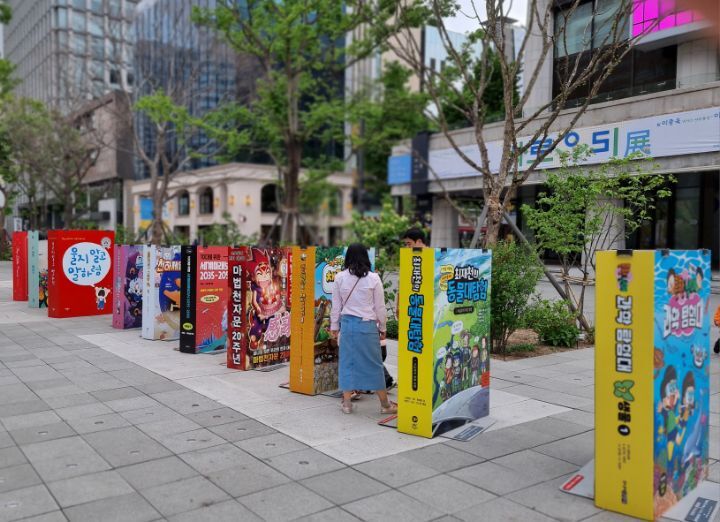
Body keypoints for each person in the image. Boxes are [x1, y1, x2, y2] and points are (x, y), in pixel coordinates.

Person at [330, 243, 397, 415]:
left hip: (347, 326)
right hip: (367, 326)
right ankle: (385, 405)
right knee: (374, 365)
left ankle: (347, 404)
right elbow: (380, 307)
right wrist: (383, 327)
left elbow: (336, 306)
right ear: (365, 257)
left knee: (347, 364)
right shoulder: (373, 278)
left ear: (348, 258)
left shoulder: (339, 278)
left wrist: (334, 326)